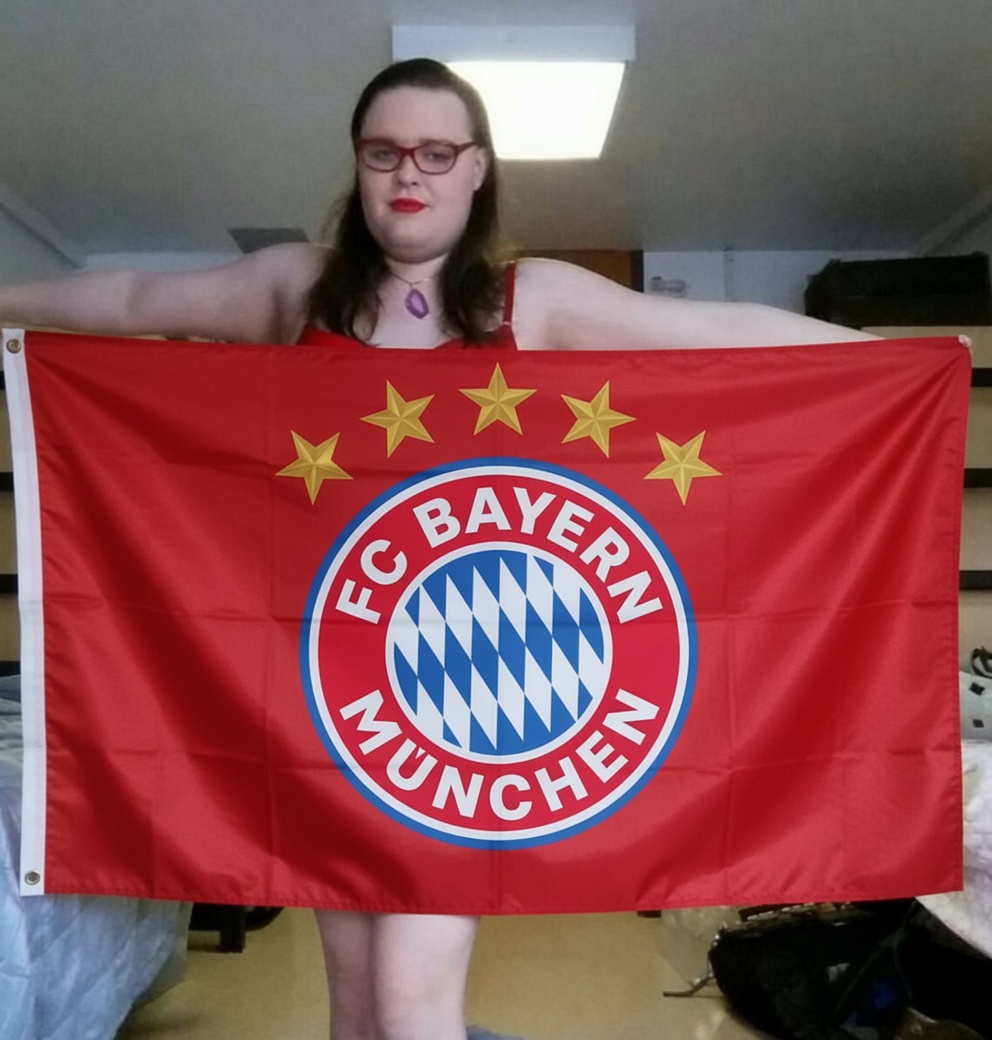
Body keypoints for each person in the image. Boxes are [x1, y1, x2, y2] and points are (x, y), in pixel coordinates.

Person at [0, 57, 876, 1040]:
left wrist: (885, 353)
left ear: (476, 168)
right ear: (357, 164)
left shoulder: (527, 301)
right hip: (323, 704)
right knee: (356, 1009)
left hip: (459, 703)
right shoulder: (299, 289)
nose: (407, 171)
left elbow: (712, 328)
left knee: (414, 1004)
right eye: (383, 152)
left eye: (434, 151)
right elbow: (129, 301)